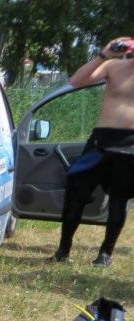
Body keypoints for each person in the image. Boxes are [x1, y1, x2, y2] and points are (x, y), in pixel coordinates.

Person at [52, 37, 134, 267]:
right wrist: (105, 53)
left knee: (118, 202)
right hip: (100, 142)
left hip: (130, 146)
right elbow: (76, 81)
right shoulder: (113, 66)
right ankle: (63, 250)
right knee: (75, 196)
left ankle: (105, 254)